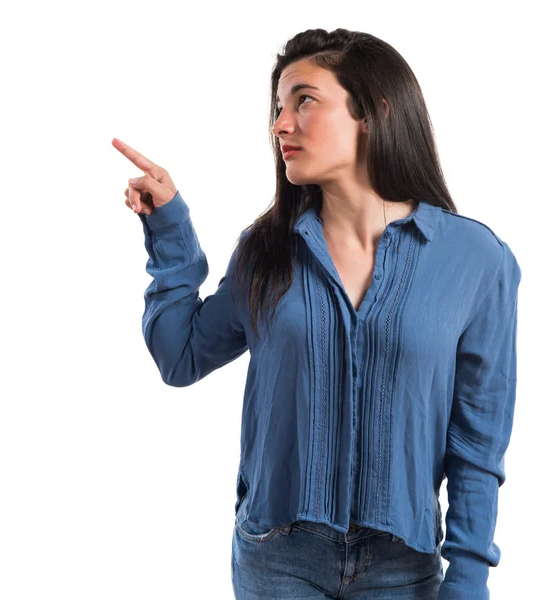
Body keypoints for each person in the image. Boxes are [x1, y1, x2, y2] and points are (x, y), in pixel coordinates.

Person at [112, 27, 521, 600]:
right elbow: (180, 357)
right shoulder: (267, 250)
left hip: (403, 568)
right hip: (276, 559)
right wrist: (170, 231)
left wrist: (470, 578)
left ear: (373, 111)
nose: (281, 124)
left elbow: (478, 444)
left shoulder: (477, 261)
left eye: (304, 100)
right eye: (278, 108)